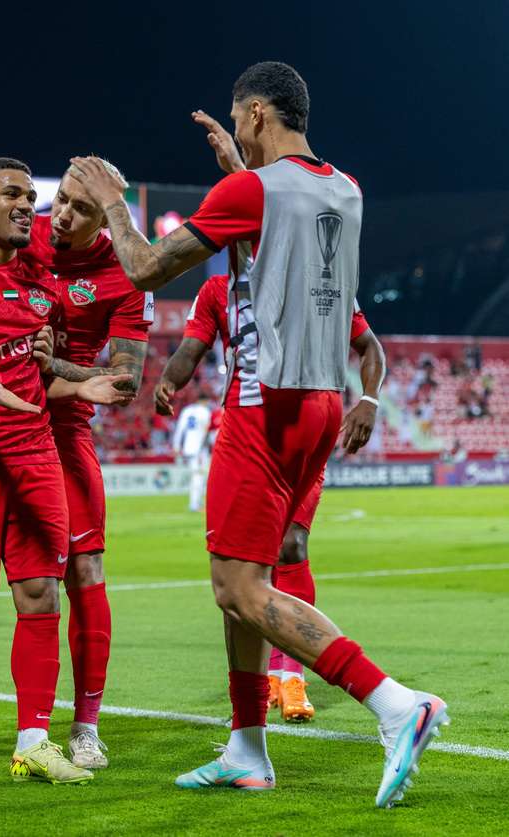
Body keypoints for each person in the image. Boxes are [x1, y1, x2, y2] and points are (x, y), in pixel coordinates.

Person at [68, 62, 447, 807]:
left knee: (237, 588)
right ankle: (247, 748)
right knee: (244, 586)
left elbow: (144, 267)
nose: (237, 128)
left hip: (262, 407)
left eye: (241, 118)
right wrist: (242, 169)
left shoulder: (251, 192)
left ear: (255, 113)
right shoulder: (344, 188)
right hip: (321, 405)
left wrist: (114, 204)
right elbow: (278, 217)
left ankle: (397, 703)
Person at [0, 161, 152, 769]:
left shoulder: (127, 271)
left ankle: (82, 728)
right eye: (59, 201)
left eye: (80, 208)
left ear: (107, 218)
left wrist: (62, 368)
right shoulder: (33, 238)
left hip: (59, 430)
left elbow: (125, 380)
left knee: (80, 572)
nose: (59, 216)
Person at [156, 273, 386, 722]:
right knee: (246, 570)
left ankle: (293, 678)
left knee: (292, 545)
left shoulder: (320, 279)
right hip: (250, 432)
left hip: (306, 426)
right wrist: (168, 381)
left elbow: (370, 346)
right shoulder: (216, 291)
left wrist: (370, 401)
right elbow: (191, 347)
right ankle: (258, 691)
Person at [171, 393, 212, 512]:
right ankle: (195, 504)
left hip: (188, 447)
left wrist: (176, 446)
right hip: (199, 448)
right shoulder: (205, 411)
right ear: (204, 401)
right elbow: (207, 430)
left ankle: (197, 503)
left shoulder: (187, 410)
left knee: (197, 475)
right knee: (199, 476)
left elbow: (180, 429)